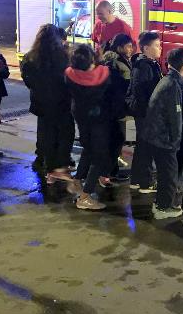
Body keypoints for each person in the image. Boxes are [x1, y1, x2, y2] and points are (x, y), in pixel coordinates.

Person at [143, 48, 183, 219]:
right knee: (169, 175)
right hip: (163, 138)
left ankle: (161, 203)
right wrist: (175, 142)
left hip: (155, 136)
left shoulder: (169, 79)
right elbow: (175, 117)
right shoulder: (173, 85)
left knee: (166, 174)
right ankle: (162, 208)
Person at [20, 24, 75, 184]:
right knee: (65, 133)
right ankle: (60, 166)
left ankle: (50, 168)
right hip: (62, 102)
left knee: (46, 134)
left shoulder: (31, 56)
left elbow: (27, 79)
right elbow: (70, 78)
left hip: (41, 103)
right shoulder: (63, 56)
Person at [65, 44, 111, 210]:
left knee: (88, 148)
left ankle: (77, 180)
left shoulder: (69, 74)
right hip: (99, 119)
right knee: (99, 156)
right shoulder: (104, 74)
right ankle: (85, 196)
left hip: (80, 115)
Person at [126, 31, 162, 193]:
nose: (160, 48)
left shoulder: (147, 63)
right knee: (147, 146)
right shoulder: (144, 67)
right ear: (146, 48)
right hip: (145, 112)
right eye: (156, 45)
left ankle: (136, 179)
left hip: (143, 111)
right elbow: (145, 92)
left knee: (142, 145)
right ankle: (146, 183)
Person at [102, 33, 133, 180]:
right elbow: (119, 88)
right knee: (115, 139)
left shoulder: (119, 60)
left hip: (114, 107)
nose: (131, 49)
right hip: (114, 108)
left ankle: (111, 170)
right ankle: (109, 172)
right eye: (128, 46)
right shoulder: (115, 63)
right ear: (120, 47)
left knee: (117, 139)